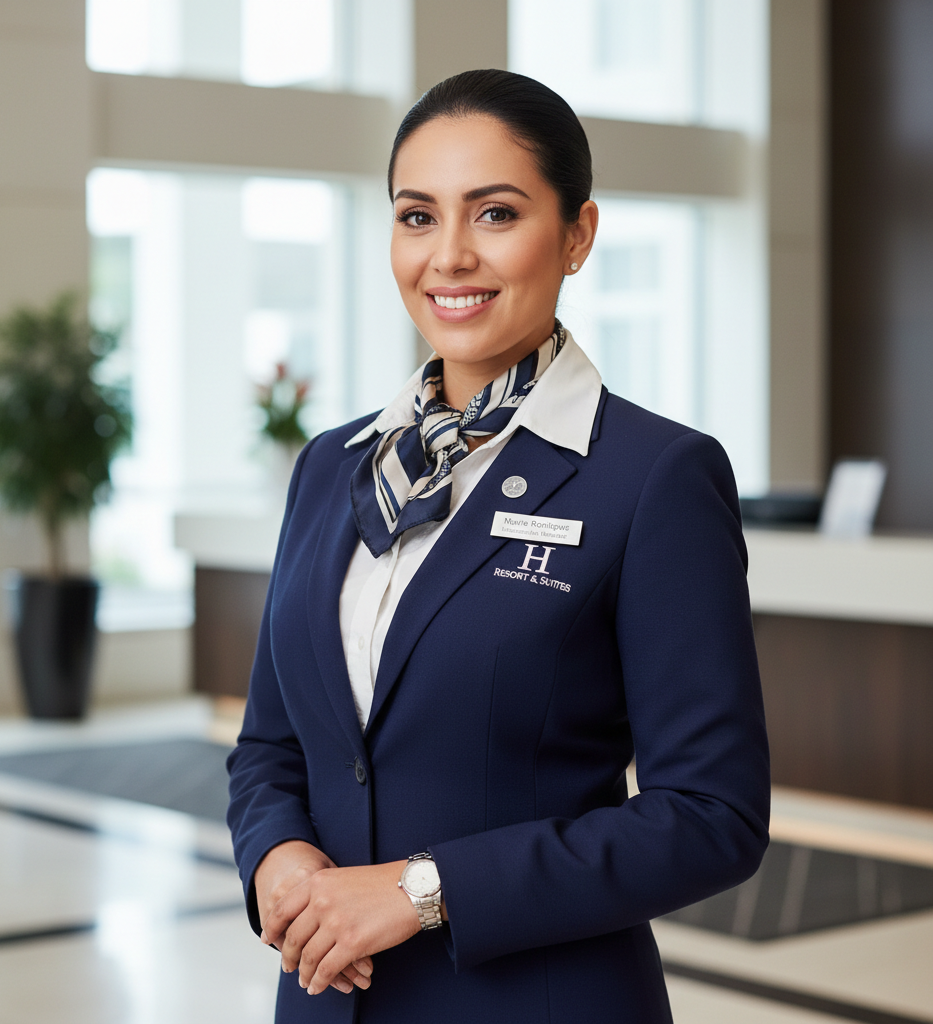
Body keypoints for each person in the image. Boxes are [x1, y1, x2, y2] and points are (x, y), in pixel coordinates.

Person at [227, 68, 769, 1024]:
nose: (450, 257)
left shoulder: (652, 477)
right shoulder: (331, 467)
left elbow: (710, 818)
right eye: (417, 216)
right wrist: (277, 856)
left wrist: (419, 891)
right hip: (325, 1002)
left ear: (577, 236)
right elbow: (273, 745)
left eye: (497, 214)